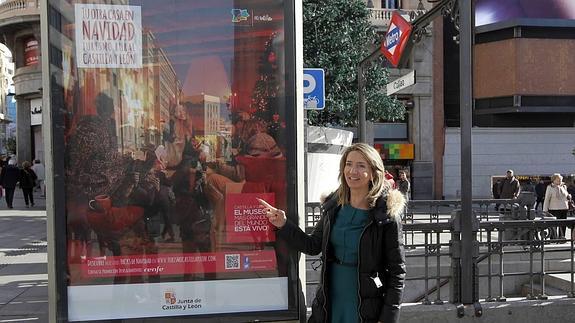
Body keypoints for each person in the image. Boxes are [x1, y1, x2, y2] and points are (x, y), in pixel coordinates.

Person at [258, 143, 406, 323]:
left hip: (366, 301)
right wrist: (283, 224)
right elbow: (313, 245)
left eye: (361, 165)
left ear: (374, 172)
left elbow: (397, 272)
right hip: (330, 295)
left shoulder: (386, 215)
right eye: (349, 164)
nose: (353, 171)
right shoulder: (334, 206)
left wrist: (388, 318)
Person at [543, 173, 571, 239]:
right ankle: (553, 238)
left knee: (563, 224)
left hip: (564, 208)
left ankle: (562, 237)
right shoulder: (550, 187)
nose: (560, 181)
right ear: (554, 180)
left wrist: (569, 196)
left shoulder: (564, 187)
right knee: (554, 224)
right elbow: (547, 199)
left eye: (560, 179)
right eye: (558, 180)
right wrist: (545, 210)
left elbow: (566, 195)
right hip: (554, 208)